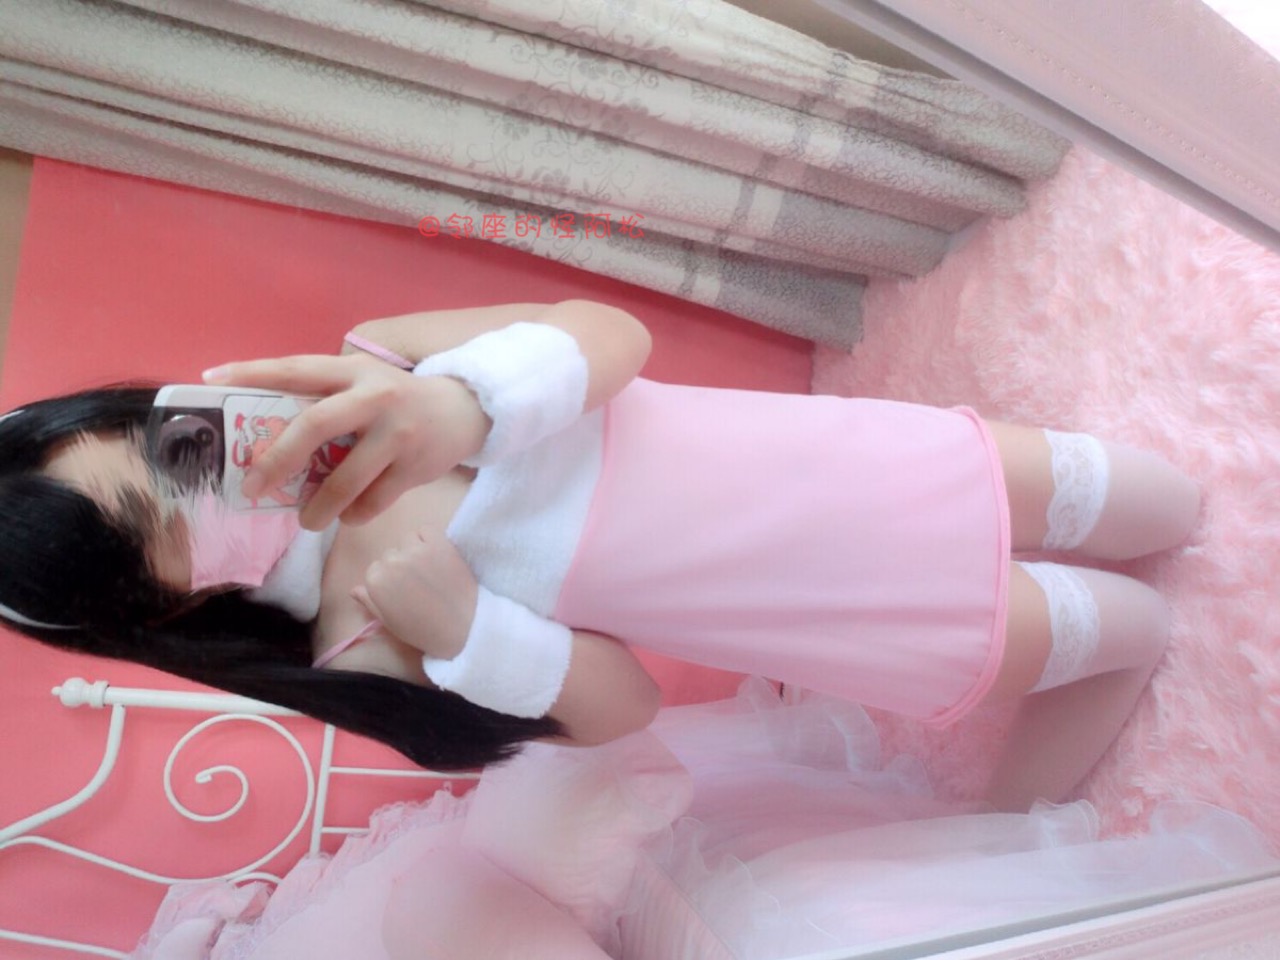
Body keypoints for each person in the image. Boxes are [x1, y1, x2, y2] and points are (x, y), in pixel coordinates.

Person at [0, 300, 1200, 809]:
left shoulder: (374, 367)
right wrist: (472, 633)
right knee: (1135, 632)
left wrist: (461, 402)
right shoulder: (357, 640)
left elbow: (609, 336)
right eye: (170, 520)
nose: (213, 474)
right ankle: (1026, 831)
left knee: (1168, 500)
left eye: (162, 444)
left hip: (856, 462)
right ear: (166, 611)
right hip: (833, 609)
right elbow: (623, 707)